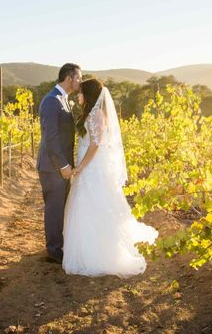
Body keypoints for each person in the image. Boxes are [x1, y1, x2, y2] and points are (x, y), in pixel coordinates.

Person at [62, 78, 158, 278]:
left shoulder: (97, 113)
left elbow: (95, 145)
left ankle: (100, 251)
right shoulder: (90, 113)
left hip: (92, 166)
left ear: (88, 95)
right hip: (88, 164)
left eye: (80, 93)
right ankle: (84, 246)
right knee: (86, 204)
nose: (77, 95)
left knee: (94, 204)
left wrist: (80, 166)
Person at [37, 63, 82, 264]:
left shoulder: (63, 100)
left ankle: (59, 246)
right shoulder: (51, 101)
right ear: (69, 78)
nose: (80, 81)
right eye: (78, 77)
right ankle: (54, 252)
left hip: (61, 165)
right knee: (54, 209)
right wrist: (63, 166)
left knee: (61, 207)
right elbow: (51, 138)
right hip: (52, 166)